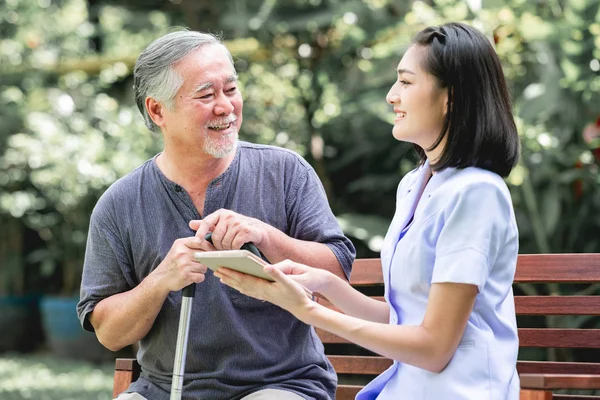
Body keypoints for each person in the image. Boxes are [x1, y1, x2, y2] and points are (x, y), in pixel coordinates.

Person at [215, 22, 521, 400]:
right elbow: (402, 320)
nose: (392, 96)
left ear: (451, 97)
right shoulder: (416, 185)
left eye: (407, 83)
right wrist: (325, 285)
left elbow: (434, 347)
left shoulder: (477, 194)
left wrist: (309, 312)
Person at [77, 30, 356, 400]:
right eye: (206, 95)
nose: (225, 106)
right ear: (157, 110)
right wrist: (160, 281)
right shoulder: (119, 204)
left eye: (231, 89)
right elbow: (109, 334)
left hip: (280, 386)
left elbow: (336, 274)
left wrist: (266, 236)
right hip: (162, 391)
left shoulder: (286, 172)